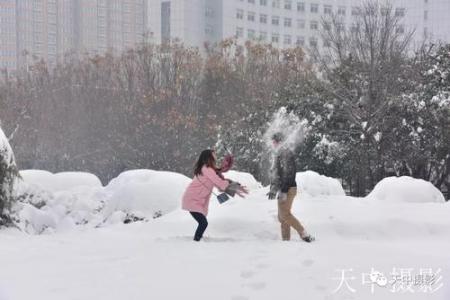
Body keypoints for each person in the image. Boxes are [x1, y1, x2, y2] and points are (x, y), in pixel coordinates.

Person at [182, 149, 246, 241]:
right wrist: (233, 186)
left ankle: (197, 239)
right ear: (209, 157)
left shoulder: (208, 169)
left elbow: (219, 185)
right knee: (203, 223)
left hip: (196, 200)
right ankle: (196, 241)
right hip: (192, 199)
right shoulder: (207, 169)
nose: (215, 155)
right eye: (213, 154)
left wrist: (234, 187)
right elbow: (219, 182)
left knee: (203, 223)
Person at [267, 133, 314, 243]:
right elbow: (277, 174)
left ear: (279, 142)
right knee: (281, 217)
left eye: (274, 142)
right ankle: (286, 241)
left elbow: (289, 173)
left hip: (288, 189)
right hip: (283, 189)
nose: (272, 144)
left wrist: (284, 190)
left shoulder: (286, 153)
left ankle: (304, 234)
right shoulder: (279, 153)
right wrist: (273, 189)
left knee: (285, 214)